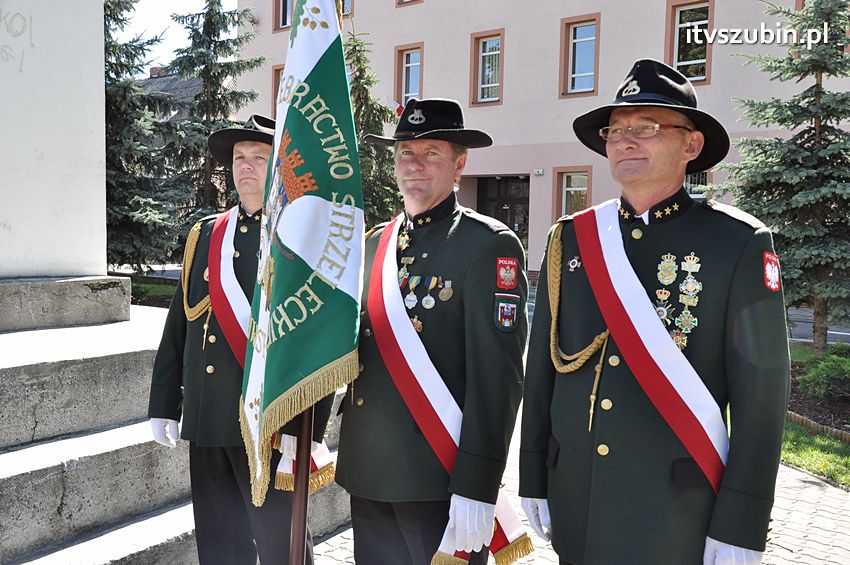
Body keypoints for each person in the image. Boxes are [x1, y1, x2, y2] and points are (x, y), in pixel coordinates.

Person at [519, 59, 790, 565]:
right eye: (616, 130)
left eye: (646, 128)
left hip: (675, 511)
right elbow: (542, 373)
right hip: (577, 494)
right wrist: (533, 474)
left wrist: (742, 522)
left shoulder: (736, 243)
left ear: (692, 145)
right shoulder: (572, 238)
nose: (625, 141)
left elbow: (762, 398)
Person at [335, 98, 530, 564]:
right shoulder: (375, 244)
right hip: (368, 467)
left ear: (459, 164)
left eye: (431, 153)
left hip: (438, 474)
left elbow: (498, 379)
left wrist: (478, 484)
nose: (414, 163)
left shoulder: (488, 245)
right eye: (405, 152)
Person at [148, 115, 332, 565]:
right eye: (239, 158)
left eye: (259, 158)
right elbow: (180, 324)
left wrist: (304, 428)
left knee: (280, 545)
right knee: (219, 546)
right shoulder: (206, 234)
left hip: (269, 426)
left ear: (279, 167)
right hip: (209, 417)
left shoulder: (300, 237)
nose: (246, 166)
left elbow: (320, 339)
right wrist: (164, 400)